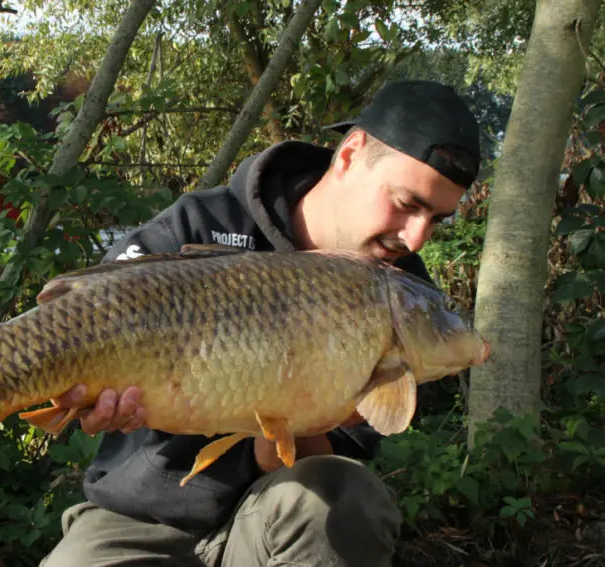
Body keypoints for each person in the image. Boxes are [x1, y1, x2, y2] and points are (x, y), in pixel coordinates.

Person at [39, 79, 482, 567]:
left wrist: (300, 421)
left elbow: (319, 469)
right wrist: (89, 394)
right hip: (139, 519)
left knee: (344, 500)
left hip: (273, 515)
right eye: (406, 204)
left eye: (438, 219)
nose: (417, 239)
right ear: (351, 154)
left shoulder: (400, 291)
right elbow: (86, 311)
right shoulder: (198, 225)